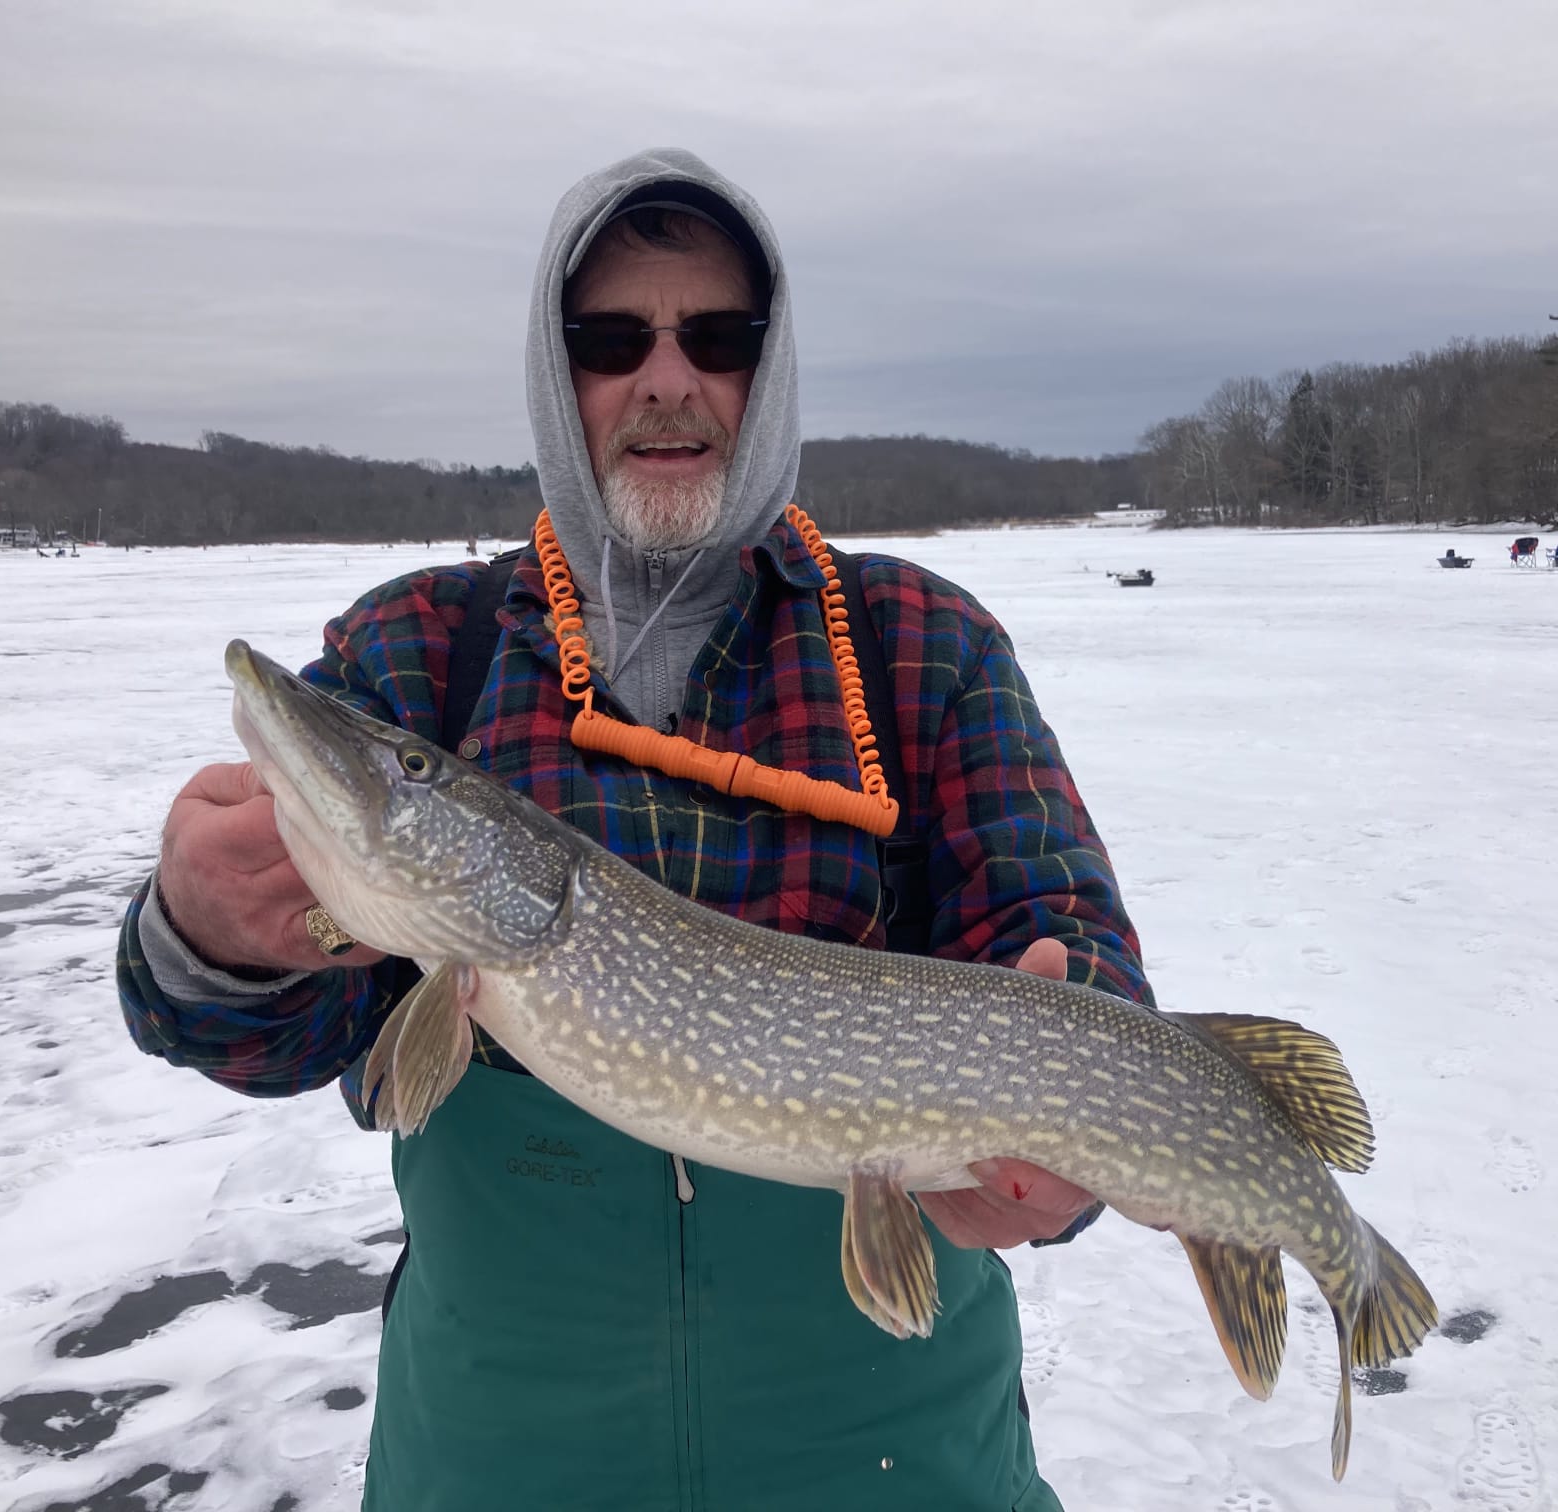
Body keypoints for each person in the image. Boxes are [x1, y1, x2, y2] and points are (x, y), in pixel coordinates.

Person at [116, 148, 1151, 1511]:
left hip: (896, 1461)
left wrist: (1061, 1159)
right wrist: (207, 935)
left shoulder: (921, 641)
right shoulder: (423, 649)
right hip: (503, 1463)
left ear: (768, 371)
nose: (667, 380)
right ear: (561, 377)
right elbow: (264, 1039)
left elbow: (1069, 946)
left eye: (717, 337)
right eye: (613, 341)